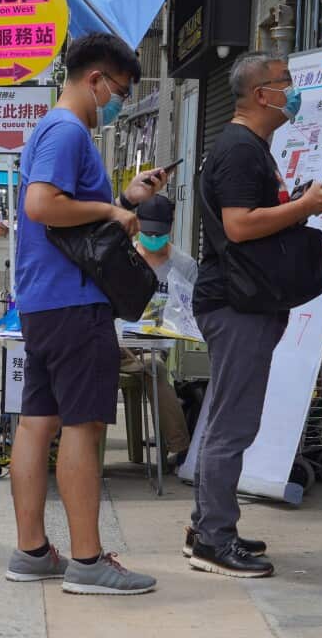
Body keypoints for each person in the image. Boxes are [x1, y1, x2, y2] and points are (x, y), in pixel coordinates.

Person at [6, 33, 166, 596]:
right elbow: (42, 204)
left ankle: (32, 552)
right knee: (84, 425)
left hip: (47, 300)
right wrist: (109, 208)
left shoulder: (55, 131)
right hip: (74, 302)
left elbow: (60, 217)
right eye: (118, 90)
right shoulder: (67, 129)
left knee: (37, 423)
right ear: (95, 80)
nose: (117, 102)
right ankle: (87, 561)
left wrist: (122, 202)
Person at [187, 51, 322, 580]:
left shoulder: (251, 147)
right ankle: (214, 539)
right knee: (231, 424)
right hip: (237, 304)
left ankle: (209, 525)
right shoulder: (239, 149)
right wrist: (305, 209)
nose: (293, 92)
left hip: (247, 301)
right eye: (286, 83)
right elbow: (238, 226)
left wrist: (301, 202)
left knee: (227, 419)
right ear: (262, 94)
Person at [120, 194, 194, 461]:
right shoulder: (122, 256)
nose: (153, 238)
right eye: (147, 232)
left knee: (155, 368)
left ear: (169, 228)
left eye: (158, 233)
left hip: (152, 346)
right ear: (137, 224)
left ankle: (179, 447)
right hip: (115, 343)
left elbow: (190, 312)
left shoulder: (184, 266)